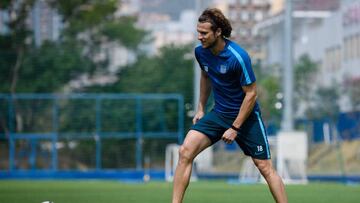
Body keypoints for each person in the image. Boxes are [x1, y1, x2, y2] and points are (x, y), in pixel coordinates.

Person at [172, 8, 288, 203]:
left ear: (218, 32)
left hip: (247, 117)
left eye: (204, 33)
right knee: (185, 151)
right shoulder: (201, 52)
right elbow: (205, 76)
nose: (199, 37)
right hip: (219, 113)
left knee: (264, 167)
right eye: (198, 32)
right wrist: (201, 107)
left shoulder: (238, 57)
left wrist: (235, 127)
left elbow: (251, 95)